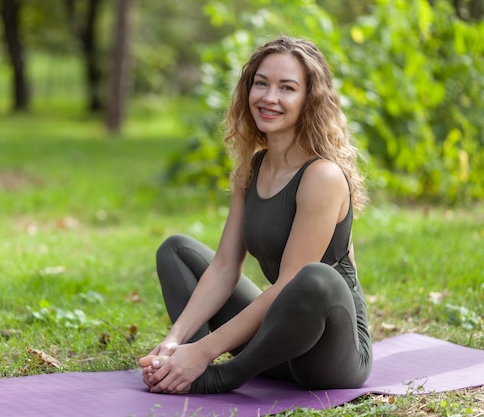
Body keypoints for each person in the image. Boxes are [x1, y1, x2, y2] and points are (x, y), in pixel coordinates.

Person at [138, 35, 373, 395]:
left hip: (330, 356)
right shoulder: (252, 167)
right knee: (176, 251)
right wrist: (176, 341)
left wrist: (206, 350)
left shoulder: (322, 176)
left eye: (287, 88)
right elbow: (224, 267)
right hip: (276, 346)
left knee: (314, 278)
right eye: (260, 83)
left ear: (309, 99)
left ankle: (223, 375)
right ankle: (183, 365)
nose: (269, 97)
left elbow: (288, 283)